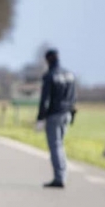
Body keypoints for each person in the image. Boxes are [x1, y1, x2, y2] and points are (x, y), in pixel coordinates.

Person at [35, 49, 76, 188]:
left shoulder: (50, 75)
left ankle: (59, 177)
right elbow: (73, 96)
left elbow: (45, 99)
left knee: (55, 146)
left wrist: (40, 118)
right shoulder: (70, 74)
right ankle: (63, 174)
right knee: (61, 145)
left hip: (54, 114)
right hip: (67, 114)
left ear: (48, 60)